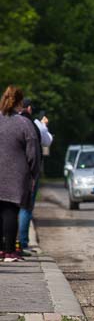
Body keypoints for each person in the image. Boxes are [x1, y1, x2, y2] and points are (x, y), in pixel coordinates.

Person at [0, 86, 40, 262]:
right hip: (16, 174)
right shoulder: (24, 124)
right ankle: (9, 251)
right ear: (19, 103)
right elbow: (33, 153)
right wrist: (33, 173)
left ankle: (0, 249)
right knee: (10, 210)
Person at [17, 98, 50, 254]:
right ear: (29, 108)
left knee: (9, 208)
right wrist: (44, 125)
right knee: (26, 207)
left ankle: (7, 243)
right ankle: (22, 242)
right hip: (28, 172)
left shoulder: (7, 121)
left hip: (9, 171)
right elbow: (47, 142)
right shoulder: (34, 124)